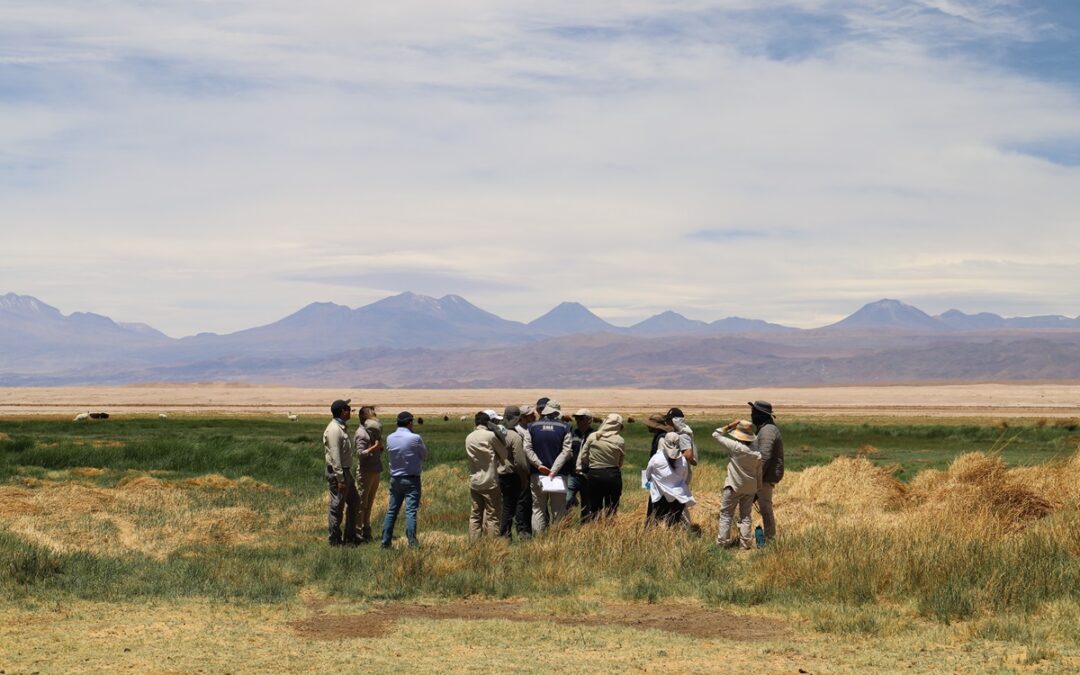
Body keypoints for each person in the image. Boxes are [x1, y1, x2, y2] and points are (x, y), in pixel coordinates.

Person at [523, 399, 573, 533]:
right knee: (558, 509)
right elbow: (566, 451)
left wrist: (539, 465)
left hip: (537, 474)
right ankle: (556, 538)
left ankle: (538, 539)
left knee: (538, 508)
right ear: (556, 412)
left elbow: (527, 449)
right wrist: (554, 470)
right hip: (558, 475)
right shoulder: (564, 427)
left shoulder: (531, 427)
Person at [712, 420, 763, 549]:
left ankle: (723, 543)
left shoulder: (736, 447)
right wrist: (757, 489)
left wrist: (730, 425)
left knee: (726, 514)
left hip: (734, 485)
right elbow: (759, 474)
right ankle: (745, 543)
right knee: (746, 515)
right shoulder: (756, 454)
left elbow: (716, 435)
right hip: (750, 487)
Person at [381, 411, 428, 548]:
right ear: (410, 422)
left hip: (395, 479)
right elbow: (424, 455)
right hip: (412, 479)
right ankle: (412, 542)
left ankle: (385, 541)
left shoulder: (390, 438)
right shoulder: (415, 438)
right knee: (410, 511)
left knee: (392, 511)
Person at [466, 410, 509, 539]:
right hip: (490, 481)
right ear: (488, 423)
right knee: (493, 515)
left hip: (475, 481)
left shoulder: (469, 437)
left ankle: (474, 542)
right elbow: (504, 454)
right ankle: (493, 545)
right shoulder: (490, 436)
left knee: (475, 515)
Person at [577, 413, 625, 522]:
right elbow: (620, 461)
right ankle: (609, 529)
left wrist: (591, 465)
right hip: (613, 474)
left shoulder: (593, 436)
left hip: (595, 474)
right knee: (612, 507)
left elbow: (584, 456)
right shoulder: (619, 440)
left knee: (595, 507)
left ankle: (595, 528)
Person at [323, 398, 358, 547]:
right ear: (343, 412)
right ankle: (335, 540)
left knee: (355, 501)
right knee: (337, 506)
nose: (350, 411)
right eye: (348, 408)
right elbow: (335, 456)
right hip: (339, 473)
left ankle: (349, 537)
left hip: (344, 472)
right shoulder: (334, 430)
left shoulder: (341, 427)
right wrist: (340, 479)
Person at [749, 400, 784, 542]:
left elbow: (764, 458)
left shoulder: (767, 431)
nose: (751, 416)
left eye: (754, 413)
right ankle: (769, 537)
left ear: (761, 415)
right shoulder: (766, 428)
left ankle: (770, 538)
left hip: (764, 477)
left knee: (765, 508)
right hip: (763, 476)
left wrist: (755, 481)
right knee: (765, 508)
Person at [644, 432, 695, 527]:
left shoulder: (656, 458)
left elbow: (648, 475)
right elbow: (684, 477)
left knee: (653, 523)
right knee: (672, 526)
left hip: (660, 496)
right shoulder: (682, 460)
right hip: (678, 497)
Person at [497, 405, 532, 539]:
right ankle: (505, 535)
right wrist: (524, 478)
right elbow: (520, 462)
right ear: (518, 419)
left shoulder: (498, 434)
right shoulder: (515, 437)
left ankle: (504, 533)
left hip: (499, 474)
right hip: (512, 475)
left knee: (504, 506)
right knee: (510, 507)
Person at [353, 405, 383, 543]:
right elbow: (360, 454)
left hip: (375, 470)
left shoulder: (372, 433)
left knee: (369, 504)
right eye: (373, 414)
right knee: (361, 503)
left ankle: (366, 530)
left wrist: (379, 448)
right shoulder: (361, 433)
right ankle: (357, 532)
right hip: (365, 472)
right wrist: (374, 447)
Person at [666, 407, 698, 526]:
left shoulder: (683, 435)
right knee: (677, 499)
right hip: (681, 471)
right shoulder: (681, 433)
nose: (667, 422)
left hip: (682, 472)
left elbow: (688, 454)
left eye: (669, 419)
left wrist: (672, 458)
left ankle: (685, 526)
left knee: (679, 500)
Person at [512, 404, 537, 536]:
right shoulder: (519, 431)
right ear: (523, 418)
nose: (534, 416)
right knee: (522, 500)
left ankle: (528, 527)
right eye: (531, 415)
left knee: (529, 500)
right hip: (523, 469)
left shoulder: (528, 428)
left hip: (530, 468)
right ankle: (522, 529)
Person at [566, 409, 594, 520]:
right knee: (566, 500)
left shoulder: (594, 435)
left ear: (589, 420)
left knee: (587, 505)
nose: (577, 421)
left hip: (587, 475)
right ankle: (564, 525)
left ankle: (584, 529)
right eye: (576, 418)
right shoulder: (572, 434)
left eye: (581, 418)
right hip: (572, 474)